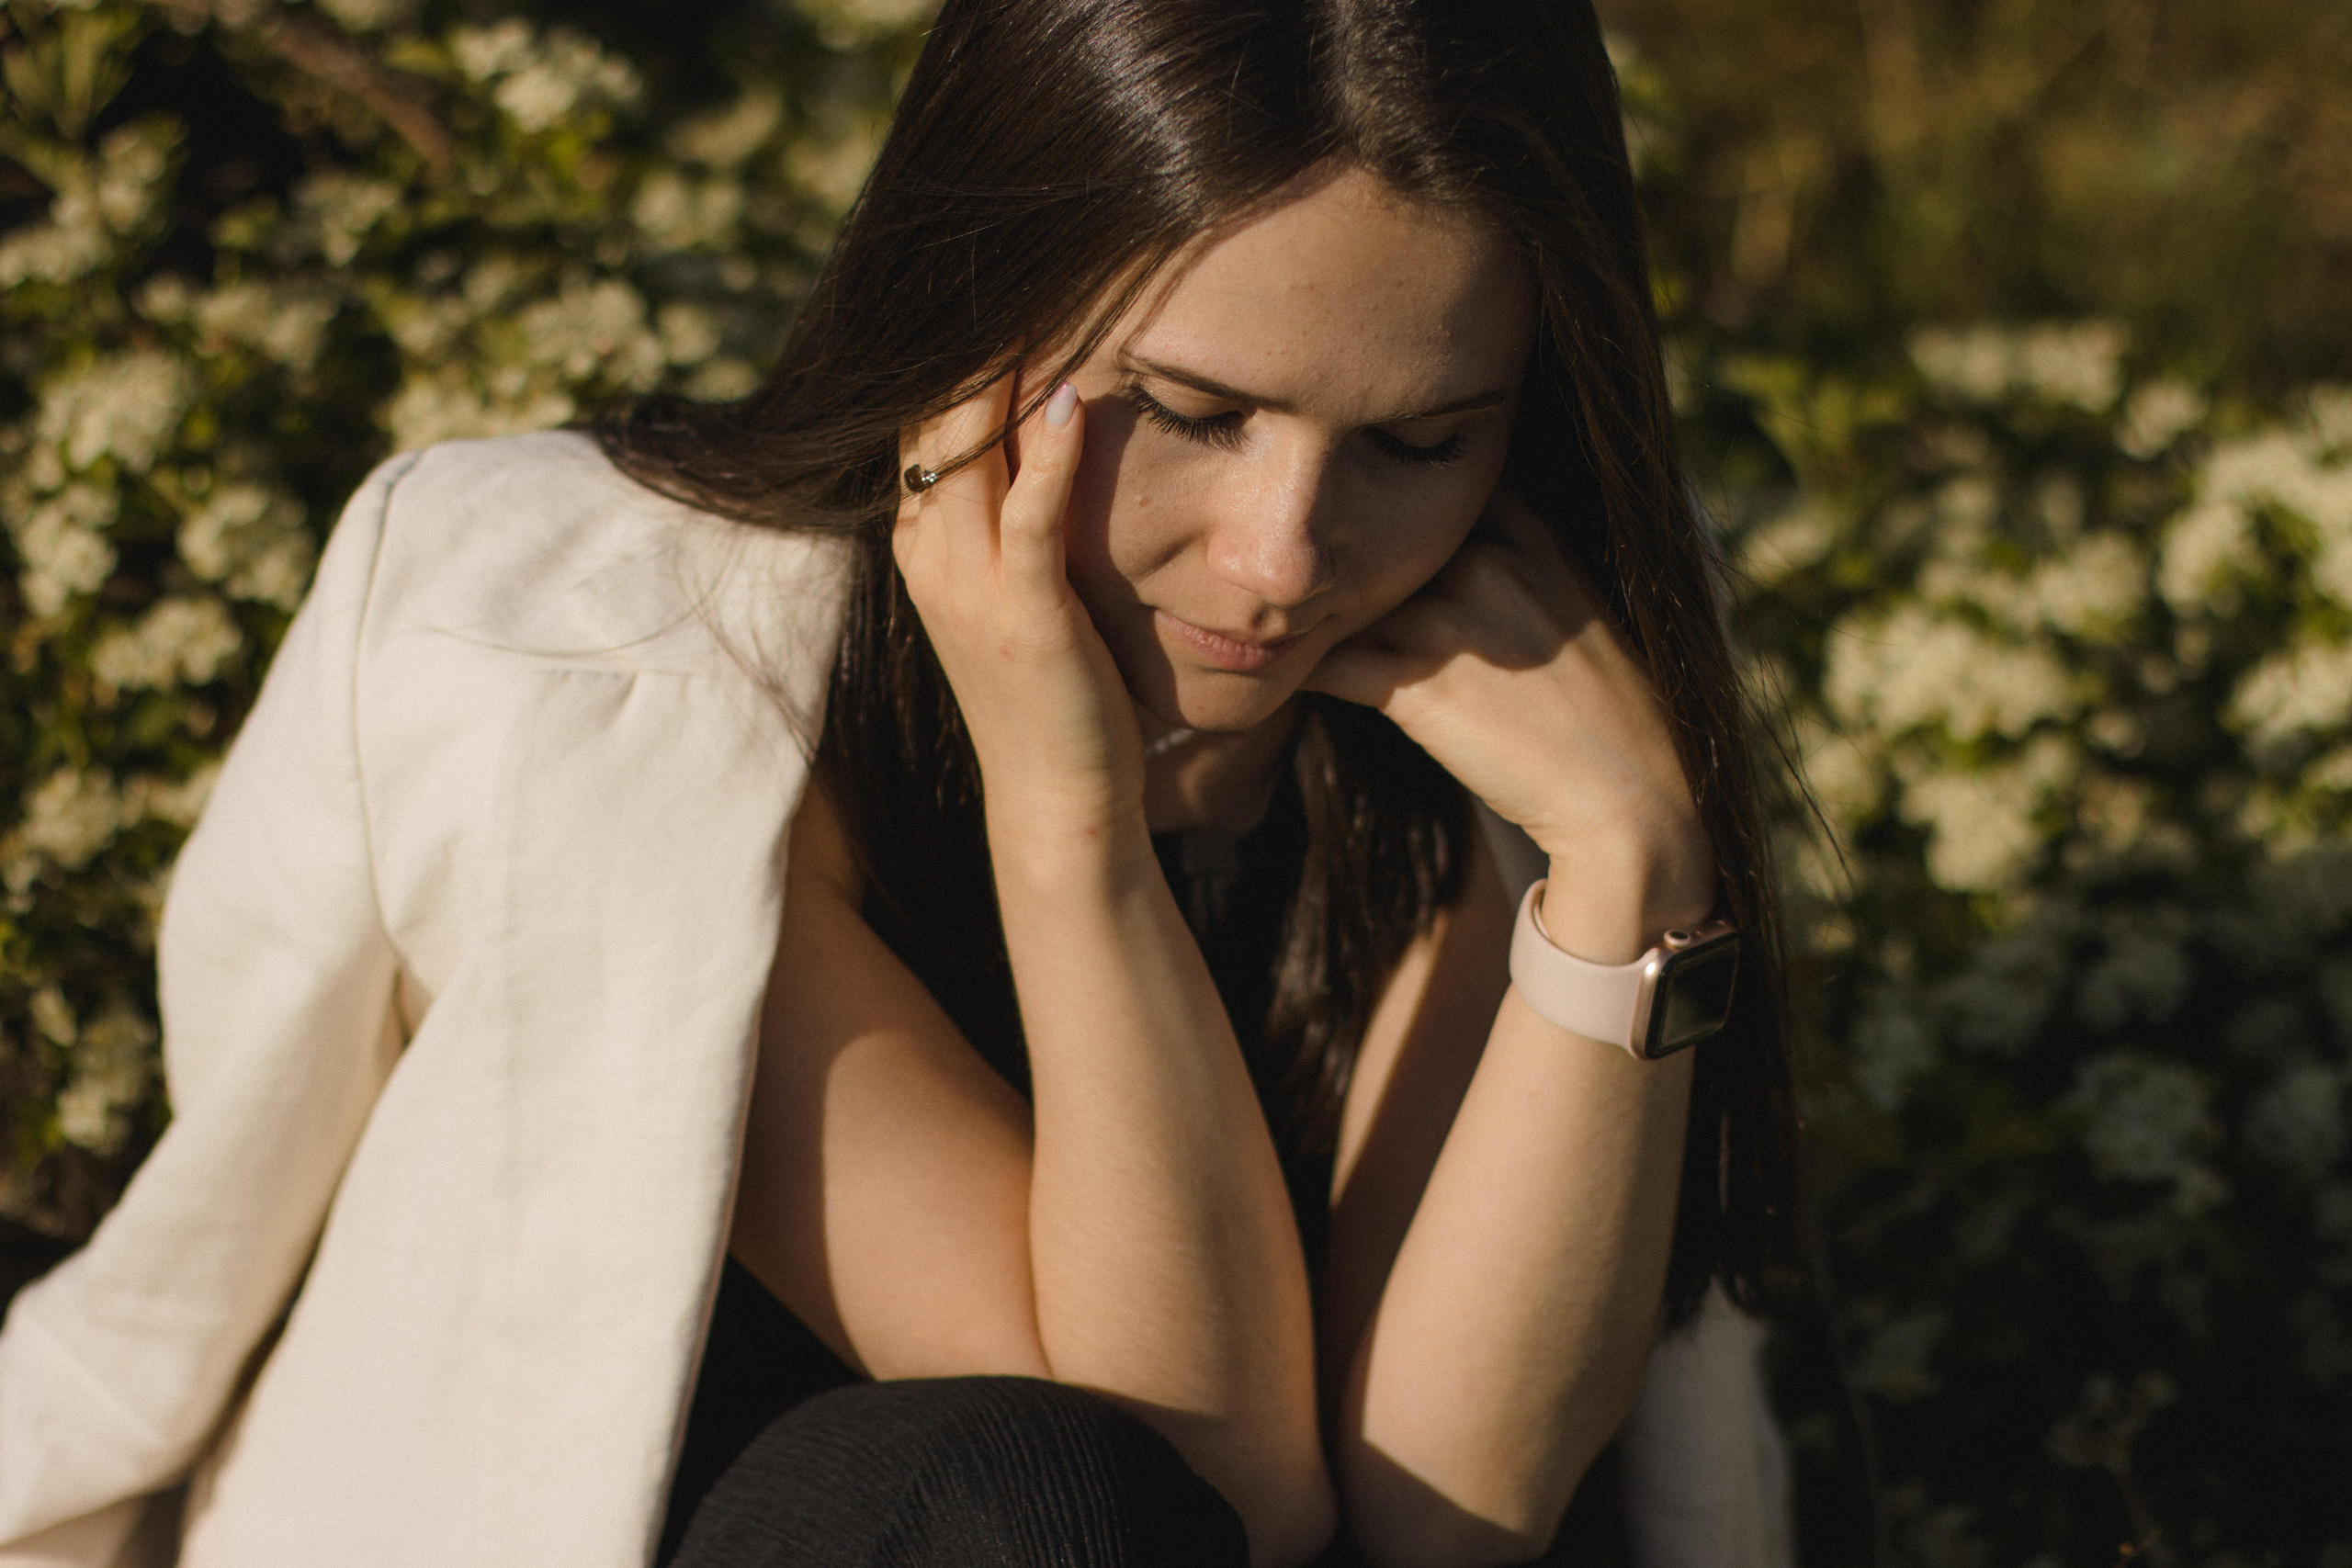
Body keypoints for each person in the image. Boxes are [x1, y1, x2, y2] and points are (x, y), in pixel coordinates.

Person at [0, 1, 1799, 1565]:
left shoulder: (1524, 685)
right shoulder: (639, 694)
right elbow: (1184, 1483)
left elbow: (1448, 1502)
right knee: (994, 1486)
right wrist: (1072, 833)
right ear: (968, 314)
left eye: (1415, 440)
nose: (1281, 557)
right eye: (1187, 409)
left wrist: (1626, 862)